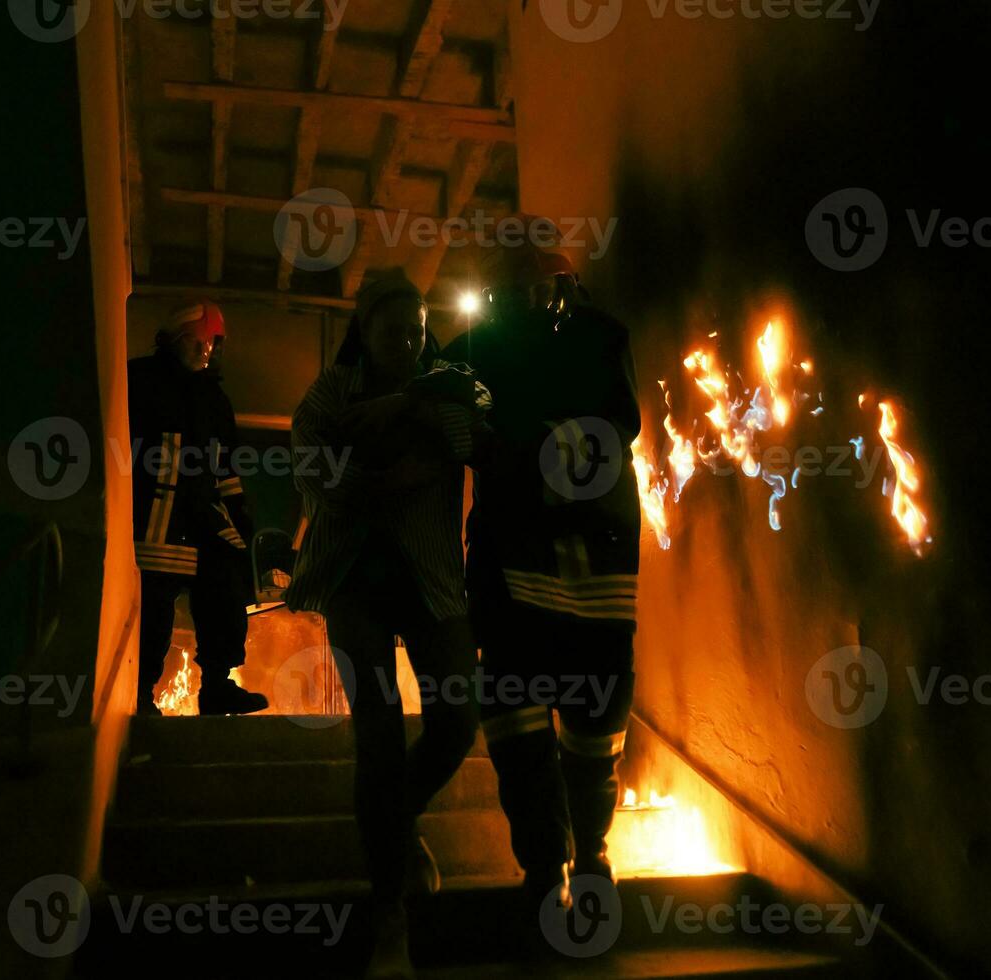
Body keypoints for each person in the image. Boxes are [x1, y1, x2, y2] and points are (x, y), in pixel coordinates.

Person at [441, 229, 641, 941]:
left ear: (563, 285)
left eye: (540, 286)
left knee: (595, 722)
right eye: (514, 289)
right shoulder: (471, 351)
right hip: (508, 560)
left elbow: (619, 428)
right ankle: (543, 869)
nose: (528, 300)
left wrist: (528, 449)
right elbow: (465, 434)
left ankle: (590, 855)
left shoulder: (600, 338)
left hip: (599, 561)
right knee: (516, 720)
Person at [287, 270, 487, 979]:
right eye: (393, 328)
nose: (409, 339)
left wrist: (411, 408)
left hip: (433, 580)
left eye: (418, 327)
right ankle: (388, 912)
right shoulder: (330, 394)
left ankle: (395, 829)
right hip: (353, 583)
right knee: (377, 726)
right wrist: (386, 477)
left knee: (458, 719)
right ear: (363, 331)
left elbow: (475, 425)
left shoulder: (446, 379)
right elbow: (311, 465)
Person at [128, 299, 269, 717]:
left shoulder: (214, 399)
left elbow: (225, 466)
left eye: (208, 344)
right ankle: (139, 695)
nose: (204, 352)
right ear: (174, 341)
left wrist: (239, 518)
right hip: (155, 514)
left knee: (226, 586)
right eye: (196, 343)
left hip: (203, 516)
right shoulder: (140, 380)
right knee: (154, 607)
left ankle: (218, 687)